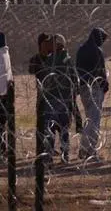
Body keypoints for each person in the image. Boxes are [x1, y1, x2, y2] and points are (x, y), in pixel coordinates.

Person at [37, 34, 77, 165]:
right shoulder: (67, 59)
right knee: (64, 129)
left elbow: (42, 82)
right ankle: (65, 155)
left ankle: (48, 156)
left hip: (51, 99)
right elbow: (74, 80)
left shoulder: (49, 60)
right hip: (64, 99)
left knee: (50, 129)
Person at [74, 27, 108, 160]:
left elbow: (77, 68)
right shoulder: (97, 51)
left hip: (83, 87)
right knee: (94, 120)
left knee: (89, 118)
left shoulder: (81, 49)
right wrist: (104, 84)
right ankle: (88, 150)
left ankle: (86, 149)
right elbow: (101, 70)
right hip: (94, 87)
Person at [0, 32, 10, 158]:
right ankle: (3, 149)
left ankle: (2, 150)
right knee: (2, 125)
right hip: (6, 94)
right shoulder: (5, 55)